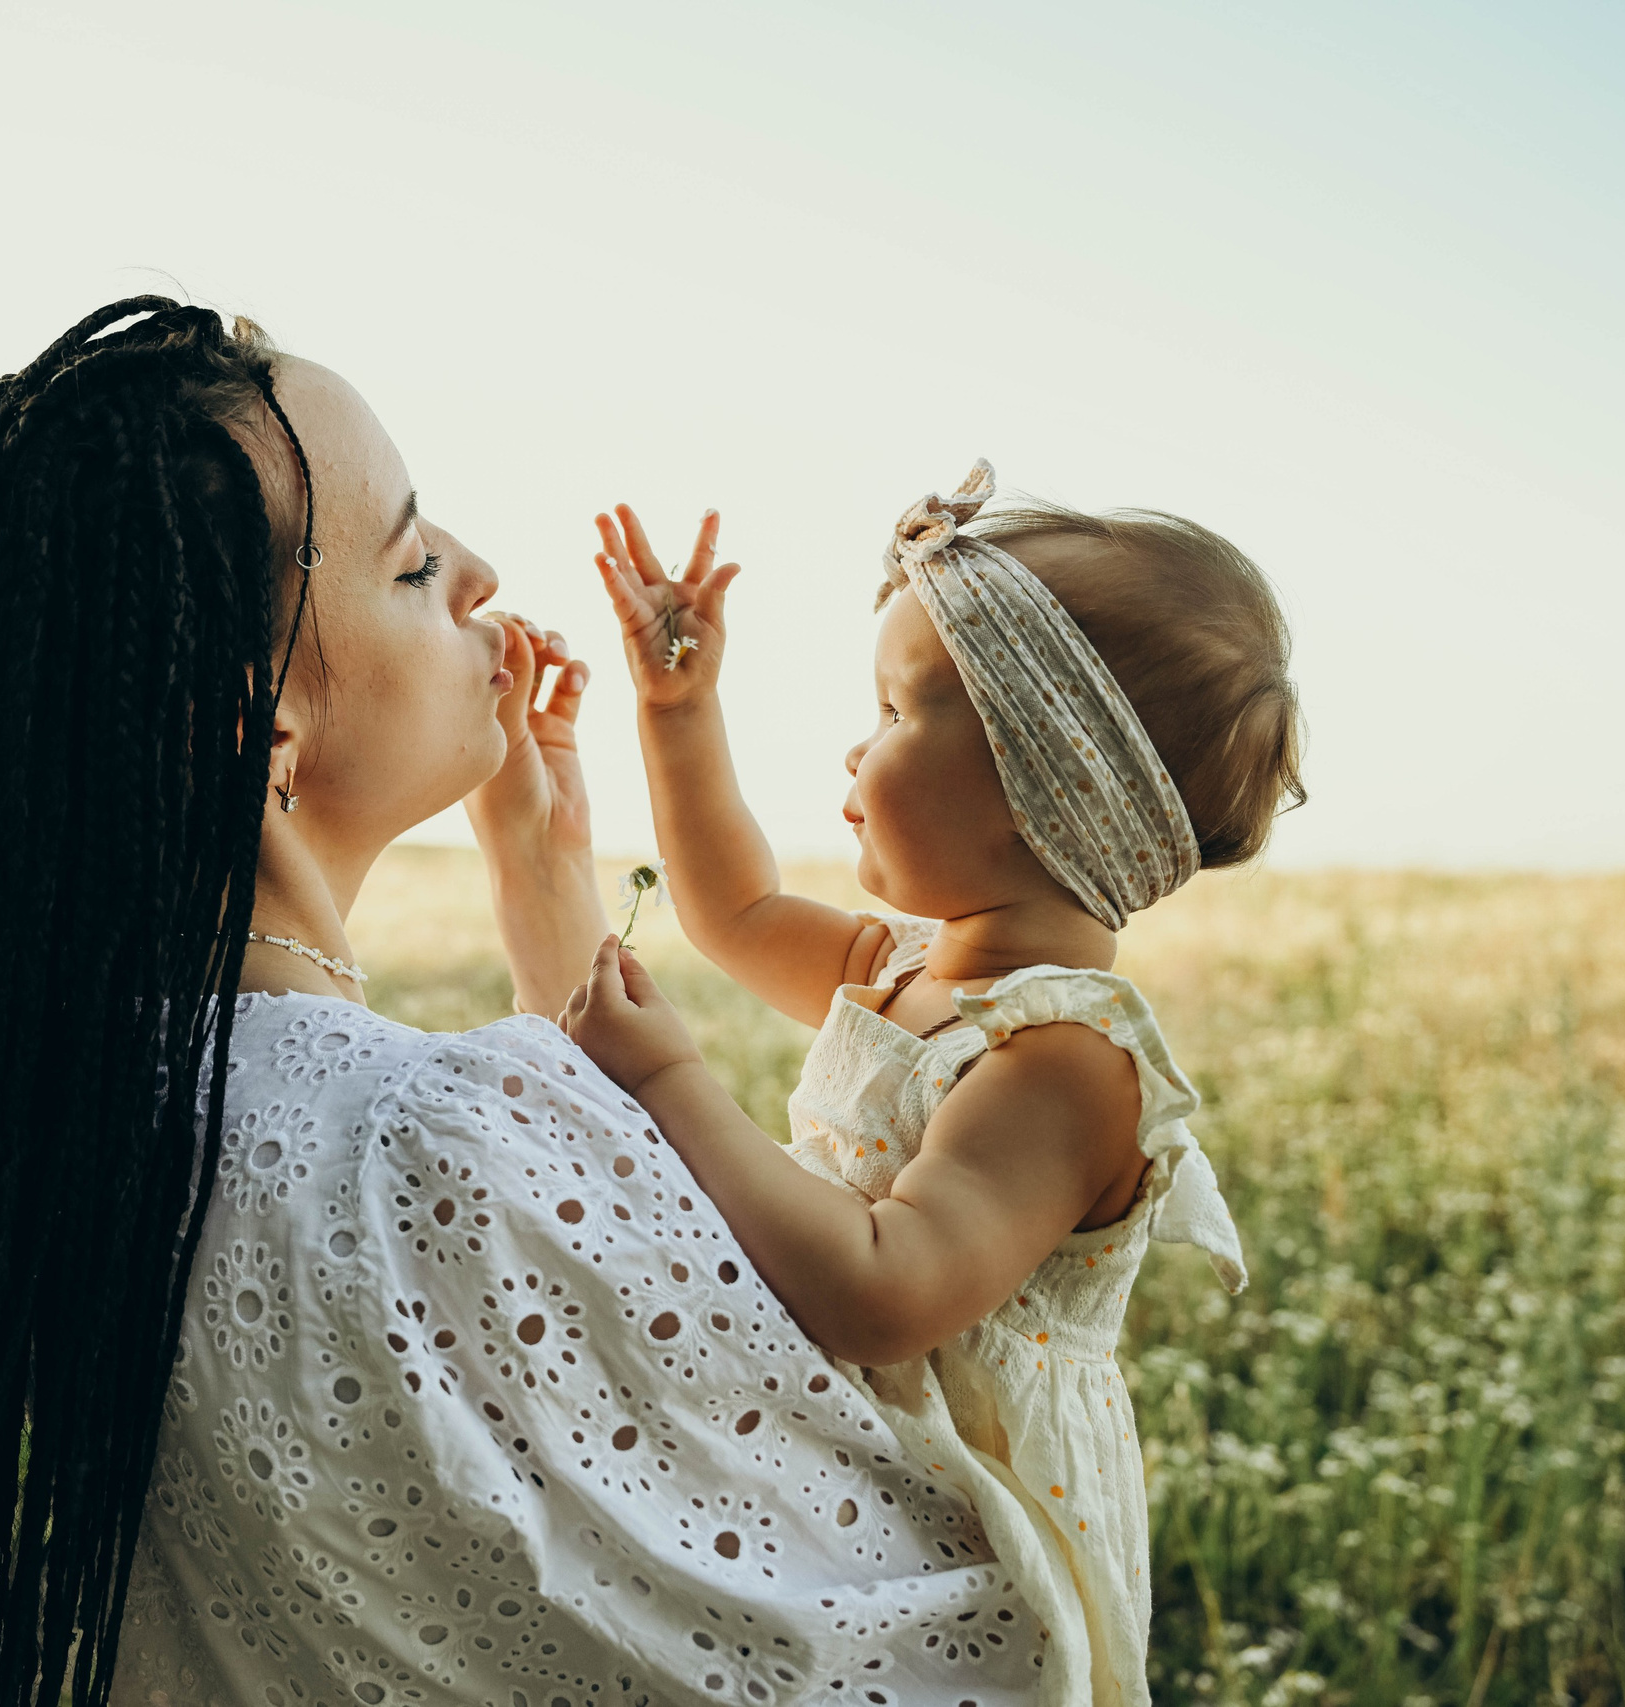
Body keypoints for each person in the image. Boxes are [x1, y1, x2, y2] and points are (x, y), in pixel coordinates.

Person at [0, 301, 1051, 1705]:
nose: (481, 573)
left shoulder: (59, 1120)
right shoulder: (437, 1135)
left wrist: (542, 864)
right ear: (258, 724)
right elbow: (899, 1630)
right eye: (410, 562)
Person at [556, 465, 1304, 1706]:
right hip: (835, 1452)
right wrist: (678, 712)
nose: (858, 743)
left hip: (955, 1533)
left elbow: (884, 1289)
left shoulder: (1061, 1062)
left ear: (1039, 791)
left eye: (898, 713)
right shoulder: (905, 967)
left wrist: (672, 1083)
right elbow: (731, 907)